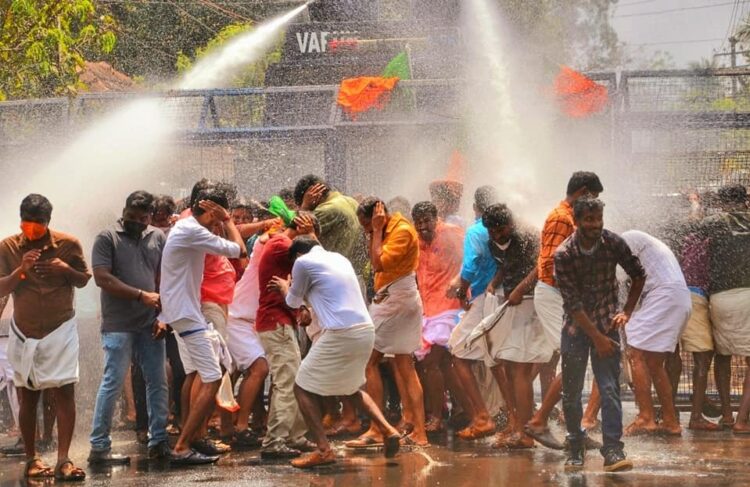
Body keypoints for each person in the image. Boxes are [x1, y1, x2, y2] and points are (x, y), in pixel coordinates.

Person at [269, 236, 402, 468]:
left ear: (298, 255)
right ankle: (388, 430)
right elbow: (326, 293)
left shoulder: (302, 262)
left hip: (342, 332)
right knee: (351, 388)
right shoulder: (338, 258)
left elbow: (292, 301)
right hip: (364, 330)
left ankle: (323, 450)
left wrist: (285, 287)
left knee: (301, 386)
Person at [1, 194, 91, 480]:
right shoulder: (8, 247)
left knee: (64, 392)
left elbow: (84, 278)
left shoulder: (68, 244)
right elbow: (2, 286)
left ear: (48, 222)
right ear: (21, 220)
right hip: (24, 331)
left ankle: (64, 459)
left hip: (60, 328)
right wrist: (21, 271)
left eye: (38, 223)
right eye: (27, 223)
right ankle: (32, 459)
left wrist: (66, 270)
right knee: (28, 396)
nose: (32, 229)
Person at [554, 197, 645, 472]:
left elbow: (638, 274)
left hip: (607, 324)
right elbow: (573, 304)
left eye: (598, 219)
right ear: (577, 221)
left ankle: (613, 450)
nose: (595, 225)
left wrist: (627, 311)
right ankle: (575, 444)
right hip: (576, 328)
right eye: (589, 220)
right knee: (571, 393)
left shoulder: (613, 242)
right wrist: (598, 339)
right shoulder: (564, 254)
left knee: (609, 388)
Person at [157, 188, 246, 465]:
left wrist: (223, 220)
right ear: (209, 210)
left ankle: (194, 437)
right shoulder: (191, 230)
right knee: (211, 377)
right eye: (217, 217)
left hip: (186, 310)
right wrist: (229, 221)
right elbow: (239, 250)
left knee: (208, 372)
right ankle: (183, 446)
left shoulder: (186, 227)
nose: (219, 223)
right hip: (185, 312)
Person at [88, 191, 170, 464]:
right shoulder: (107, 237)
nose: (135, 222)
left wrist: (164, 315)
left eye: (141, 218)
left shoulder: (157, 236)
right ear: (123, 212)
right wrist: (139, 295)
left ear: (149, 217)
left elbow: (165, 278)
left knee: (157, 381)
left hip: (150, 322)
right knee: (112, 381)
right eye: (130, 216)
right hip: (118, 323)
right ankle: (99, 446)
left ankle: (159, 440)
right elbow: (102, 278)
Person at [525, 171, 604, 450]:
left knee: (567, 360)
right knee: (572, 361)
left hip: (562, 294)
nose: (595, 203)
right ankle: (538, 421)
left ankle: (574, 433)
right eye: (593, 196)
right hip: (555, 294)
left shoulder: (569, 215)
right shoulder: (561, 217)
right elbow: (549, 263)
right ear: (582, 191)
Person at [349, 197, 428, 447]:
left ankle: (377, 428)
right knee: (405, 364)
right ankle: (417, 431)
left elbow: (378, 262)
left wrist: (378, 230)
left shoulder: (401, 231)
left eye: (367, 226)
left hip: (396, 301)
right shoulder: (389, 228)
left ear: (378, 217)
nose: (366, 232)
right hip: (395, 299)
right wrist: (375, 229)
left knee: (369, 361)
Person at [481, 204, 549, 449]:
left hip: (532, 305)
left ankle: (526, 432)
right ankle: (519, 426)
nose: (497, 235)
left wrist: (521, 288)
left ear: (510, 224)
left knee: (519, 369)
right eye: (492, 231)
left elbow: (543, 266)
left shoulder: (527, 237)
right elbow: (505, 266)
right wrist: (494, 283)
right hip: (511, 305)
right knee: (510, 367)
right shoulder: (493, 243)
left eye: (501, 229)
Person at [256, 212, 319, 459]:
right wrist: (312, 235)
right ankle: (274, 441)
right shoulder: (282, 245)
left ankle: (294, 435)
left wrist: (300, 308)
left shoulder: (282, 243)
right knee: (287, 382)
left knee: (294, 379)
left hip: (280, 320)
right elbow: (318, 261)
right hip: (276, 322)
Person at [620, 230, 690, 436]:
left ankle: (645, 418)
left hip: (664, 295)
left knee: (636, 354)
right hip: (678, 296)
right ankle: (670, 420)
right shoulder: (644, 241)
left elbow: (618, 286)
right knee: (654, 363)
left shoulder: (624, 240)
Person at [446, 185, 502, 441]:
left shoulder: (476, 230)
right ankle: (509, 415)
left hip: (482, 297)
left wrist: (461, 289)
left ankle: (481, 417)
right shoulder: (505, 226)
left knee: (457, 351)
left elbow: (470, 265)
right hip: (502, 296)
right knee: (499, 357)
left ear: (474, 207)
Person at [411, 201, 466, 433]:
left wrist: (462, 283)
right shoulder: (415, 240)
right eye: (419, 222)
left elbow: (471, 259)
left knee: (431, 362)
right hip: (427, 309)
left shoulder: (452, 234)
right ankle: (464, 409)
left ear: (437, 219)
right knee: (443, 363)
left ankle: (436, 417)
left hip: (450, 307)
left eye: (427, 221)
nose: (423, 226)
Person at [701, 184, 750, 434]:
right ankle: (743, 420)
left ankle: (728, 415)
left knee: (723, 356)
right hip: (748, 294)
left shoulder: (713, 222)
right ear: (745, 200)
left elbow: (690, 230)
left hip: (720, 296)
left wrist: (695, 204)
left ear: (721, 202)